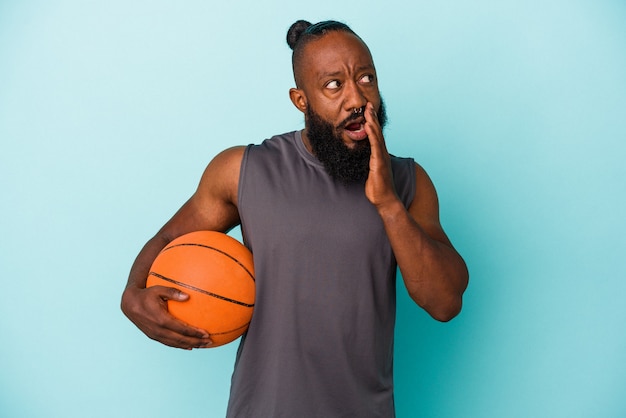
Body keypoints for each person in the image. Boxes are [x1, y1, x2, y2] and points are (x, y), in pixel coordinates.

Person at [121, 19, 469, 417]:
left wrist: (388, 204)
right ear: (301, 101)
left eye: (366, 78)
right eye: (334, 85)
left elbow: (445, 303)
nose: (357, 99)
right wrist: (133, 292)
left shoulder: (409, 181)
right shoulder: (243, 171)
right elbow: (169, 240)